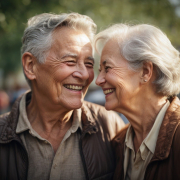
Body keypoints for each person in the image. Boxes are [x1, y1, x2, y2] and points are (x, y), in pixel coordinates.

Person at [0, 13, 125, 180]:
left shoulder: (110, 127)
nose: (84, 74)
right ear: (31, 66)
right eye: (70, 62)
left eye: (89, 64)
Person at [94, 23, 180, 180]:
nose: (98, 80)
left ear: (145, 71)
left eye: (107, 68)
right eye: (100, 71)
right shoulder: (117, 143)